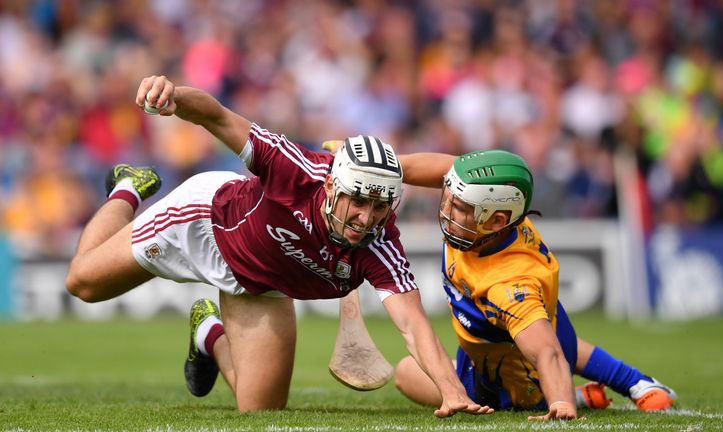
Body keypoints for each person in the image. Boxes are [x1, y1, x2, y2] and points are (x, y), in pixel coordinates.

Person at [65, 75, 493, 418]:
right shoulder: (295, 167)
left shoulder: (379, 244)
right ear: (331, 186)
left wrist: (454, 393)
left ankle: (208, 331)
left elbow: (413, 326)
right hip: (205, 224)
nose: (367, 218)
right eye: (357, 202)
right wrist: (173, 93)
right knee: (82, 283)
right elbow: (215, 116)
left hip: (260, 285)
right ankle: (127, 188)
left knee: (260, 410)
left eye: (379, 206)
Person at [391, 149, 677, 420]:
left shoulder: (510, 286)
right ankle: (634, 382)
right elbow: (422, 168)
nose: (447, 210)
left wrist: (560, 403)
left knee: (536, 339)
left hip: (515, 382)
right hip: (484, 349)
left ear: (496, 220)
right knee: (407, 372)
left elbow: (547, 352)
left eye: (460, 206)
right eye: (449, 198)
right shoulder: (489, 221)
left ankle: (588, 392)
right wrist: (360, 161)